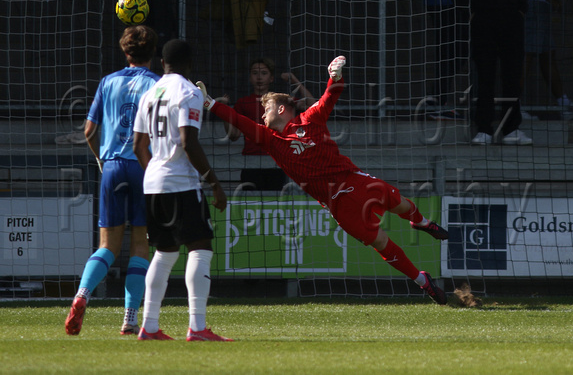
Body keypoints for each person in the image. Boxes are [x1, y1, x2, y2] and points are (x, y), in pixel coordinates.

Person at [201, 56, 448, 305]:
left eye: (266, 109)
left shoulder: (311, 119)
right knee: (381, 243)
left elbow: (331, 94)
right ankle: (422, 281)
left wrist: (335, 75)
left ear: (281, 109)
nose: (262, 114)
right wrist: (210, 103)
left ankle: (422, 222)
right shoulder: (269, 139)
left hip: (354, 179)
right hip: (336, 203)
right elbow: (238, 121)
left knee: (401, 205)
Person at [133, 39, 231, 341]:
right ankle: (197, 327)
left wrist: (156, 174)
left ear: (163, 63)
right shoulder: (189, 93)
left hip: (153, 182)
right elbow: (189, 143)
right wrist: (214, 183)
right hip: (181, 182)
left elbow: (139, 146)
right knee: (200, 248)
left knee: (163, 253)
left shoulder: (149, 93)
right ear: (190, 64)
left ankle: (149, 326)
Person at [65, 25, 160, 336]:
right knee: (139, 245)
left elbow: (89, 131)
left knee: (107, 246)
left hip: (114, 166)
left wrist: (100, 158)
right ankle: (130, 318)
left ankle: (81, 296)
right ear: (153, 53)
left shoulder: (108, 81)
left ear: (125, 51)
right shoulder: (156, 84)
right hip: (143, 166)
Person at [223, 57, 315, 191]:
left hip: (276, 160)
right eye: (255, 73)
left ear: (271, 78)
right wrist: (225, 112)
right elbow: (233, 135)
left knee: (275, 206)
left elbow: (312, 105)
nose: (259, 77)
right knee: (250, 207)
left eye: (264, 73)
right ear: (250, 77)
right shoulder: (243, 103)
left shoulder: (281, 100)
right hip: (251, 162)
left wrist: (294, 80)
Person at [470, 0, 533, 145]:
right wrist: (471, 10)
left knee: (512, 76)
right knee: (485, 76)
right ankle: (484, 129)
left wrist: (520, 9)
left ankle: (511, 129)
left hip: (511, 16)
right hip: (482, 16)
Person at [523, 0, 573, 120]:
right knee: (527, 54)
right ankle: (515, 107)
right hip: (532, 2)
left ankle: (563, 102)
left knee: (548, 54)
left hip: (541, 5)